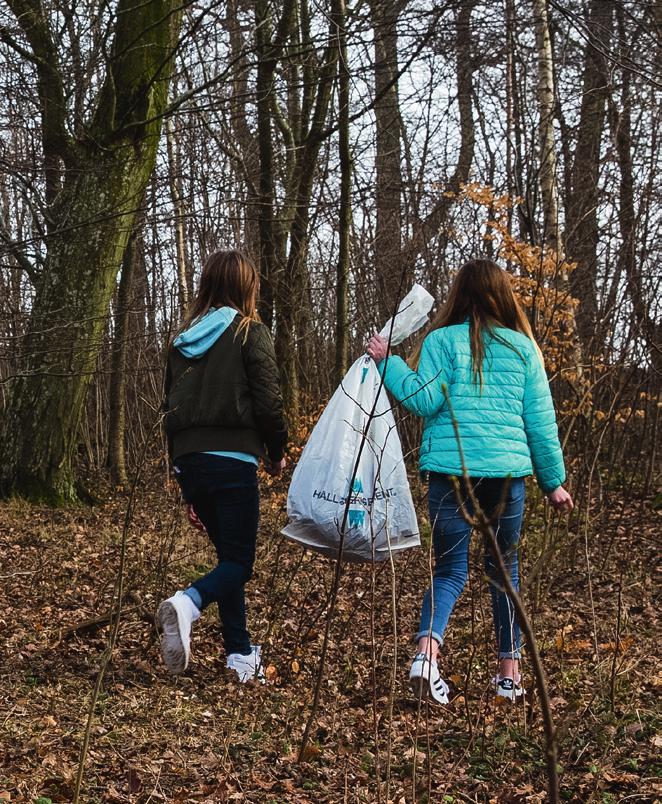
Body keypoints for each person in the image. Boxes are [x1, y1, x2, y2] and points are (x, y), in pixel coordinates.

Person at [367, 259, 573, 704]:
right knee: (504, 574)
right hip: (506, 478)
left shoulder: (442, 341)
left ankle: (426, 656)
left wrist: (389, 363)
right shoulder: (524, 350)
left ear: (459, 294)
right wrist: (552, 481)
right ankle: (509, 676)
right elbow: (540, 423)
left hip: (450, 475)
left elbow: (421, 399)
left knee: (450, 571)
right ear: (503, 297)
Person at [158, 249, 287, 682]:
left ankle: (240, 655)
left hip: (190, 461)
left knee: (228, 559)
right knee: (240, 564)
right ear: (246, 287)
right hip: (232, 463)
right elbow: (269, 401)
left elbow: (168, 411)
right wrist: (277, 451)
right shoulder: (250, 332)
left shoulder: (181, 340)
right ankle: (189, 603)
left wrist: (184, 482)